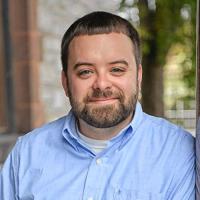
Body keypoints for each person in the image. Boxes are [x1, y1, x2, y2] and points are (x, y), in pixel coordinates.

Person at [0, 11, 195, 200]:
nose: (102, 84)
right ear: (66, 82)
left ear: (138, 76)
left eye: (117, 69)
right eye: (85, 72)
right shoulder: (26, 154)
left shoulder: (178, 151)